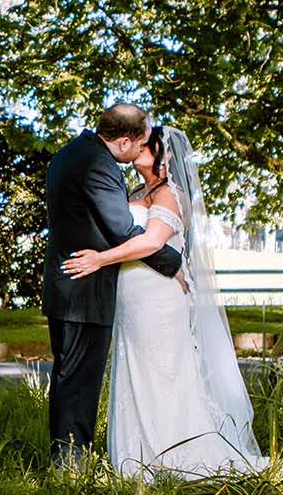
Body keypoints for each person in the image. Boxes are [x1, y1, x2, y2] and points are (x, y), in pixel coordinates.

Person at [63, 125, 283, 483]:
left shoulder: (170, 195)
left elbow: (150, 243)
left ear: (167, 154)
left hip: (159, 296)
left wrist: (99, 259)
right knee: (135, 372)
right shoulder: (134, 191)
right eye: (139, 142)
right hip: (131, 297)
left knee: (165, 372)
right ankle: (137, 455)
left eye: (148, 143)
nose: (141, 147)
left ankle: (174, 452)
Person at [42, 104, 183, 467]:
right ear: (124, 141)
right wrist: (174, 263)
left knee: (67, 375)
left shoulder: (68, 153)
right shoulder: (99, 165)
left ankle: (64, 457)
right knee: (79, 381)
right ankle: (70, 465)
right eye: (139, 144)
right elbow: (122, 230)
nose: (139, 152)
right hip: (84, 288)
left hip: (66, 285)